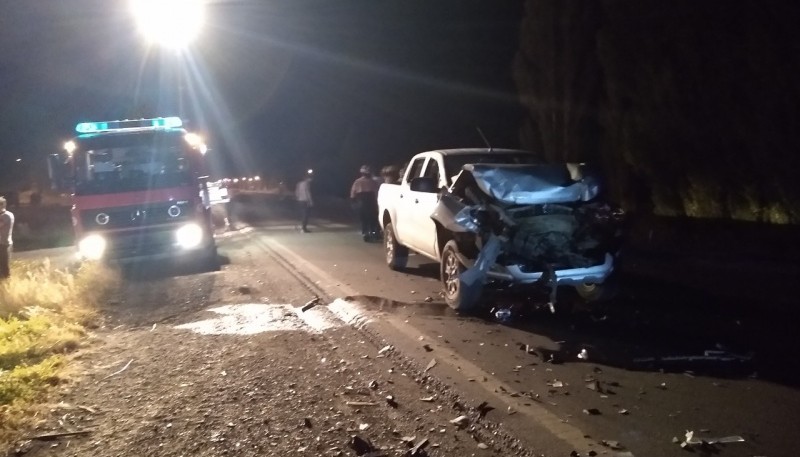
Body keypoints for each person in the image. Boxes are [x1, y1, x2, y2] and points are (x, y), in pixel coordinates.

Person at [350, 165, 381, 242]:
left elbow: (353, 192)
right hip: (370, 202)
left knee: (365, 219)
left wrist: (353, 201)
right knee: (371, 219)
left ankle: (366, 233)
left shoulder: (358, 181)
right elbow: (376, 192)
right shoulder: (373, 182)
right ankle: (372, 233)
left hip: (363, 201)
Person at [0, 196, 14, 280]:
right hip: (3, 244)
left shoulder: (5, 216)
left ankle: (7, 287)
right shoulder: (7, 214)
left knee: (4, 268)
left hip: (3, 244)